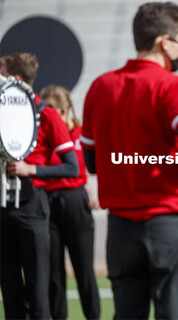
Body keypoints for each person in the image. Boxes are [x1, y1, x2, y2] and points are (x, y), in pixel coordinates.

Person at [80, 2, 178, 319]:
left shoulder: (100, 86)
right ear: (164, 42)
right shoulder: (171, 84)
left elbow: (94, 163)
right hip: (169, 224)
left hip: (121, 229)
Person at [0, 53, 79, 319]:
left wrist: (31, 169)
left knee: (38, 285)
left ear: (15, 79)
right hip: (2, 205)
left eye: (1, 72)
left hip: (33, 205)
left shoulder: (45, 113)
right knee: (9, 286)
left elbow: (72, 167)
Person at [39, 85, 100, 320]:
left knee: (84, 271)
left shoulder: (80, 134)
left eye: (49, 110)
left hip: (77, 203)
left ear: (63, 111)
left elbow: (95, 165)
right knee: (54, 273)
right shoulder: (43, 136)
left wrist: (95, 193)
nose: (44, 115)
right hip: (49, 202)